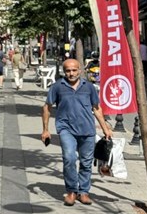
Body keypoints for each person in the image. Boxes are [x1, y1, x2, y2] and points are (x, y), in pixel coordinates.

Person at [41, 58, 114, 206]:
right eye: (68, 70)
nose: (71, 73)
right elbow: (47, 107)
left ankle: (84, 192)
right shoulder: (57, 87)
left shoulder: (89, 87)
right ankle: (72, 191)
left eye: (74, 70)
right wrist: (45, 130)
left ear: (80, 70)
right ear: (64, 71)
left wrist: (105, 128)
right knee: (69, 159)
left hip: (87, 130)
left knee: (86, 163)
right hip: (66, 129)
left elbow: (96, 108)